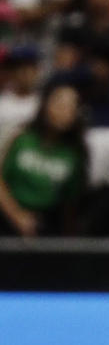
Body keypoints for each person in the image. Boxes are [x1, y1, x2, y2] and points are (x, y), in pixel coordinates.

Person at [0, 82, 87, 237]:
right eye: (60, 104)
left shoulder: (74, 154)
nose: (65, 111)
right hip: (8, 217)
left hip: (47, 224)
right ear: (46, 105)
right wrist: (17, 216)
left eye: (72, 107)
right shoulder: (22, 139)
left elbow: (70, 204)